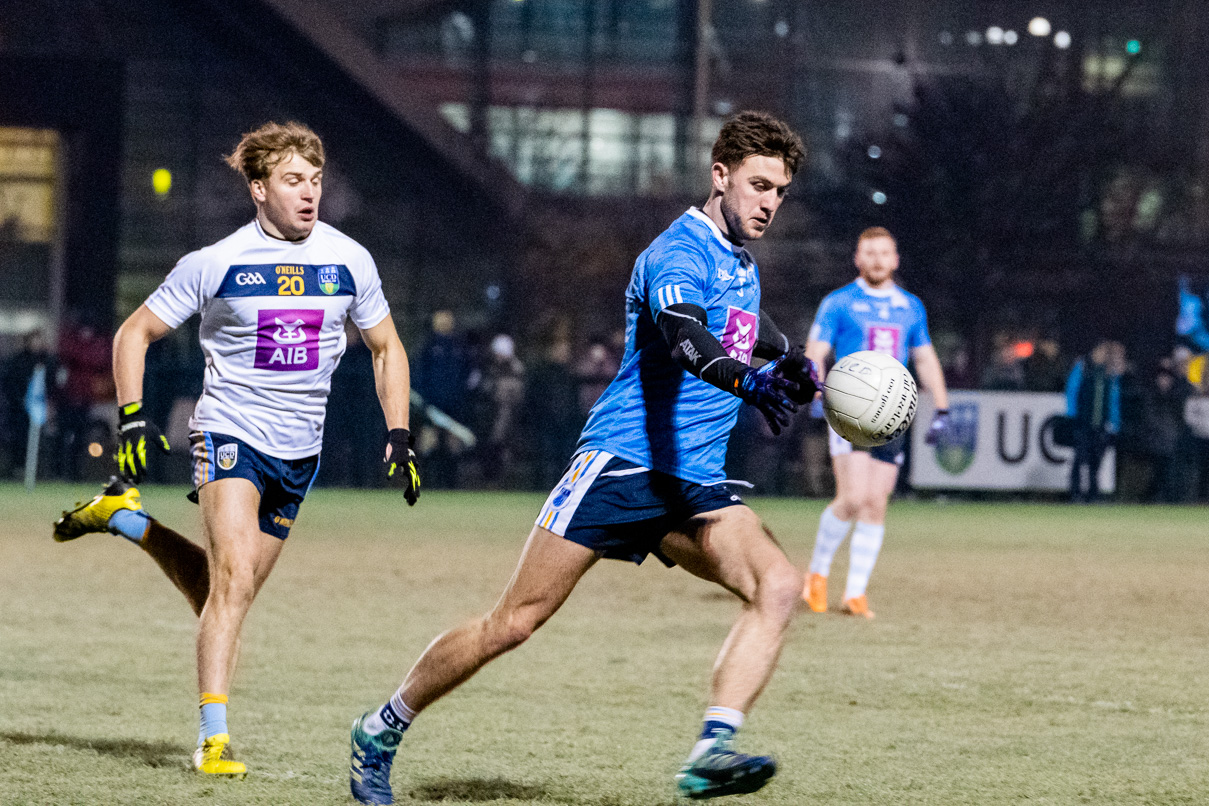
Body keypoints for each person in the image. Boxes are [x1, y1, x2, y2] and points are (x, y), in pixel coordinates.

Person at [348, 111, 817, 805]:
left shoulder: (739, 262)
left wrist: (791, 360)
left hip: (692, 484)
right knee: (512, 623)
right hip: (620, 466)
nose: (769, 203)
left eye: (779, 190)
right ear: (718, 176)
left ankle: (709, 751)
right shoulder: (676, 252)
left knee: (777, 587)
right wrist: (748, 379)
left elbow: (748, 323)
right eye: (758, 185)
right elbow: (688, 335)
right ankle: (380, 728)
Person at [51, 121, 420, 778]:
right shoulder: (215, 263)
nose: (309, 194)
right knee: (231, 582)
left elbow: (387, 347)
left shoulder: (349, 260)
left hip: (299, 454)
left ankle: (124, 519)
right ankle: (213, 739)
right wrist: (133, 420)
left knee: (226, 590)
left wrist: (399, 432)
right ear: (257, 189)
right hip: (230, 433)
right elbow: (134, 335)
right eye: (292, 181)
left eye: (315, 181)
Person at [802, 227, 949, 620]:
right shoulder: (839, 302)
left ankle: (855, 594)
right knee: (851, 498)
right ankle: (816, 575)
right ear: (858, 258)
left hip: (893, 414)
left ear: (895, 259)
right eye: (870, 252)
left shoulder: (910, 306)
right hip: (849, 411)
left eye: (884, 252)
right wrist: (817, 388)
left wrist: (943, 407)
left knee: (876, 503)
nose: (878, 259)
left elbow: (924, 357)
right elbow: (816, 351)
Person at [1065, 340, 1122, 503]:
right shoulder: (1083, 368)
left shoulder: (1109, 373)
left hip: (1100, 425)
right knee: (1079, 458)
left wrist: (1114, 423)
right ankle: (1075, 492)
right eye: (1100, 351)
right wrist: (1072, 415)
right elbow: (1072, 391)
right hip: (1083, 422)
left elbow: (1113, 399)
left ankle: (1093, 494)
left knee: (1095, 461)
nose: (1102, 355)